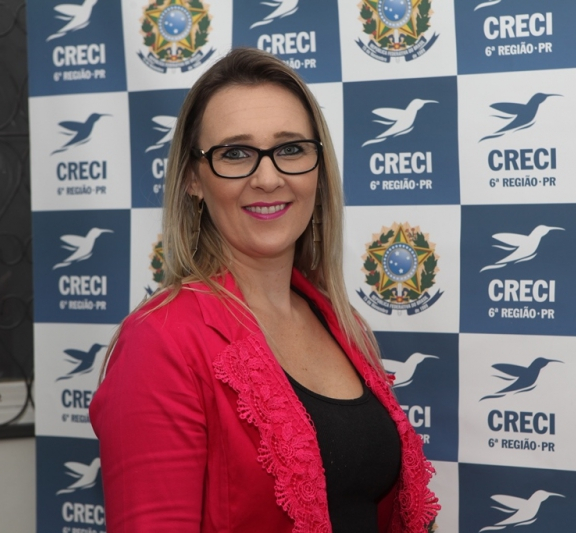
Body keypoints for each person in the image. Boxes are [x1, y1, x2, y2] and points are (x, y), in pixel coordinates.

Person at [89, 48, 439, 533]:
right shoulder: (160, 341)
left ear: (318, 166)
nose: (269, 178)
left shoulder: (340, 321)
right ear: (192, 178)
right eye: (235, 154)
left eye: (291, 149)